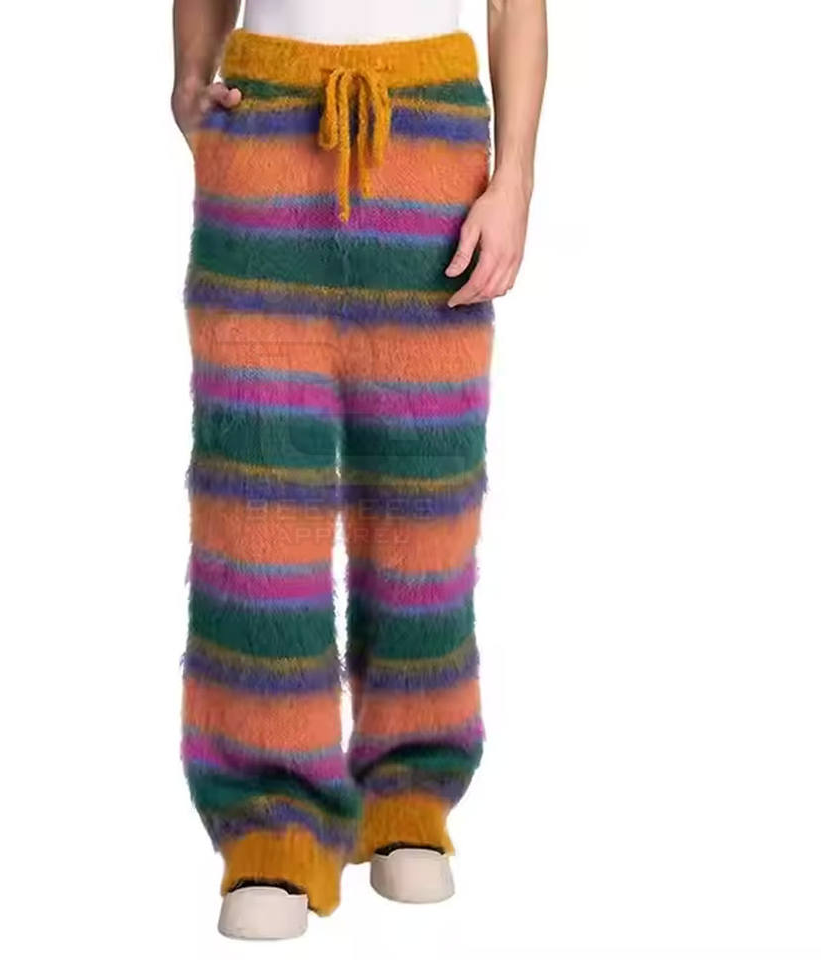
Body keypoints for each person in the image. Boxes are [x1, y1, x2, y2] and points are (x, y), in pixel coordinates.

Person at [172, 0, 547, 939]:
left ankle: (410, 793)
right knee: (255, 497)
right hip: (264, 128)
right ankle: (269, 823)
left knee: (426, 496)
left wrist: (515, 181)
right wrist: (188, 75)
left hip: (432, 141)